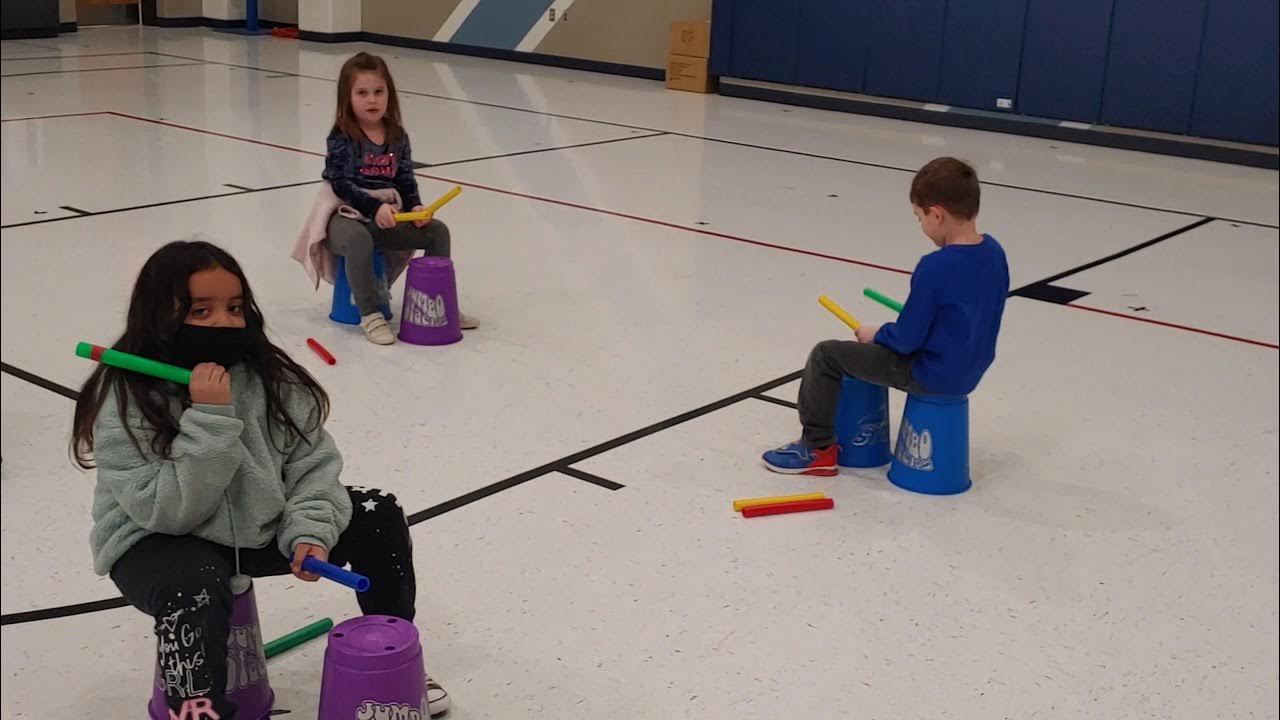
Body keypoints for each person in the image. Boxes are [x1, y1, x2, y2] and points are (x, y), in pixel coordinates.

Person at [72, 240, 450, 718]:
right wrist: (210, 417)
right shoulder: (126, 397)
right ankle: (198, 709)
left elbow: (313, 467)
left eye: (233, 308)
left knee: (377, 513)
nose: (224, 322)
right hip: (155, 538)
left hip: (256, 524)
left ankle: (390, 662)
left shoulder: (271, 379)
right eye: (200, 310)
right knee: (196, 587)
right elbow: (166, 512)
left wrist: (310, 531)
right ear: (158, 316)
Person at [763, 157, 1009, 476]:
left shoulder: (935, 267)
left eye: (919, 217)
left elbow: (907, 340)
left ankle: (817, 448)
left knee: (825, 355)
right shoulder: (994, 252)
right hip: (970, 369)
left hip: (930, 373)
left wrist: (877, 333)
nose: (921, 225)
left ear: (937, 215)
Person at [322, 51, 477, 344]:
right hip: (344, 218)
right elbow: (340, 183)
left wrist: (416, 206)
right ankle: (369, 314)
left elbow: (404, 178)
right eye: (362, 93)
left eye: (379, 92)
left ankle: (436, 303)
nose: (372, 100)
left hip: (385, 220)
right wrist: (374, 205)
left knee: (437, 232)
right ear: (348, 98)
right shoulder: (341, 135)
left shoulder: (397, 135)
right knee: (358, 240)